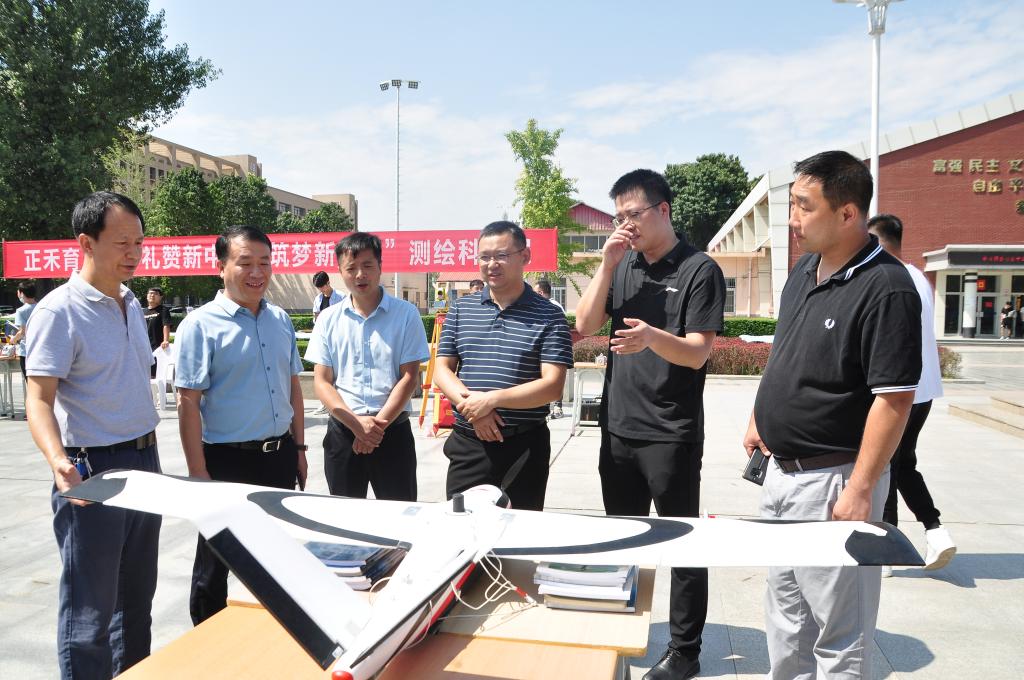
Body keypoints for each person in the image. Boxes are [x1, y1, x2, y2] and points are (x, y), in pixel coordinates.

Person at [744, 151, 921, 679]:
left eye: (803, 206)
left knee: (840, 633)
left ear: (848, 213)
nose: (792, 219)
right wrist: (760, 415)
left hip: (834, 481)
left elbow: (894, 399)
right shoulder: (805, 269)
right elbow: (786, 351)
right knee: (787, 619)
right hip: (781, 474)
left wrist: (861, 487)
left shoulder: (887, 287)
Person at [575, 169, 725, 680]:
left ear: (663, 210)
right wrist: (606, 264)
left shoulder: (699, 269)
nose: (626, 225)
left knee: (683, 544)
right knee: (623, 540)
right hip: (618, 427)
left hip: (670, 431)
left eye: (633, 214)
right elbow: (585, 325)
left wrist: (652, 338)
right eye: (618, 216)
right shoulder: (623, 265)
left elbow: (698, 353)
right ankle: (621, 633)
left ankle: (685, 650)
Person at [25, 191, 162, 679]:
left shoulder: (131, 302)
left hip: (146, 462)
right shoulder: (58, 312)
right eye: (123, 243)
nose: (134, 253)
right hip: (92, 469)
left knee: (136, 602)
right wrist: (57, 460)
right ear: (86, 242)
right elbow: (38, 399)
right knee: (90, 612)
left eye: (139, 243)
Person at [174, 225, 308, 625]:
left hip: (278, 456)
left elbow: (292, 387)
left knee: (278, 558)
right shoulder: (200, 325)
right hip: (226, 462)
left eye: (264, 263)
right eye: (245, 263)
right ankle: (206, 640)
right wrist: (198, 473)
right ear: (221, 267)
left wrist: (299, 449)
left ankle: (274, 636)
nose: (257, 272)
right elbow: (187, 402)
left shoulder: (279, 319)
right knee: (215, 565)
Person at [433, 221, 572, 510]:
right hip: (469, 444)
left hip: (524, 447)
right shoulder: (461, 309)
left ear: (525, 256)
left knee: (519, 529)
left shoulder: (549, 315)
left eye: (501, 255)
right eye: (484, 257)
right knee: (464, 527)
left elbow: (552, 386)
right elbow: (442, 370)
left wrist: (491, 401)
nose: (491, 264)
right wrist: (475, 411)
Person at [305, 233, 429, 500]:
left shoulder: (406, 314)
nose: (360, 275)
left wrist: (375, 429)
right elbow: (322, 382)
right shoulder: (327, 320)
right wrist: (356, 426)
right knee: (344, 518)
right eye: (351, 268)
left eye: (368, 265)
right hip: (343, 434)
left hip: (392, 433)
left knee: (400, 515)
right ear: (340, 272)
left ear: (380, 267)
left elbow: (409, 377)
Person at [868, 214, 956, 574]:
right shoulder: (917, 276)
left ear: (879, 242)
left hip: (899, 390)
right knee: (901, 463)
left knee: (884, 466)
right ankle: (935, 530)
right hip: (924, 391)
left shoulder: (888, 276)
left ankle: (886, 549)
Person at [535, 279, 566, 418]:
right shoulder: (545, 306)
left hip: (553, 349)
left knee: (554, 378)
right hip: (543, 349)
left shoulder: (553, 307)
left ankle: (557, 407)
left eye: (535, 292)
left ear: (540, 293)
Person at [11, 281, 38, 379]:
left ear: (21, 293)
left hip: (27, 350)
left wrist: (13, 339)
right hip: (41, 349)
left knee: (29, 381)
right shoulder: (41, 306)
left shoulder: (21, 311)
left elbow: (22, 332)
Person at [143, 287, 171, 377]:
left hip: (157, 346)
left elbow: (166, 325)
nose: (152, 295)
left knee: (156, 372)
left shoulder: (163, 310)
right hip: (144, 345)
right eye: (150, 293)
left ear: (160, 297)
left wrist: (166, 340)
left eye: (155, 294)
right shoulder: (142, 311)